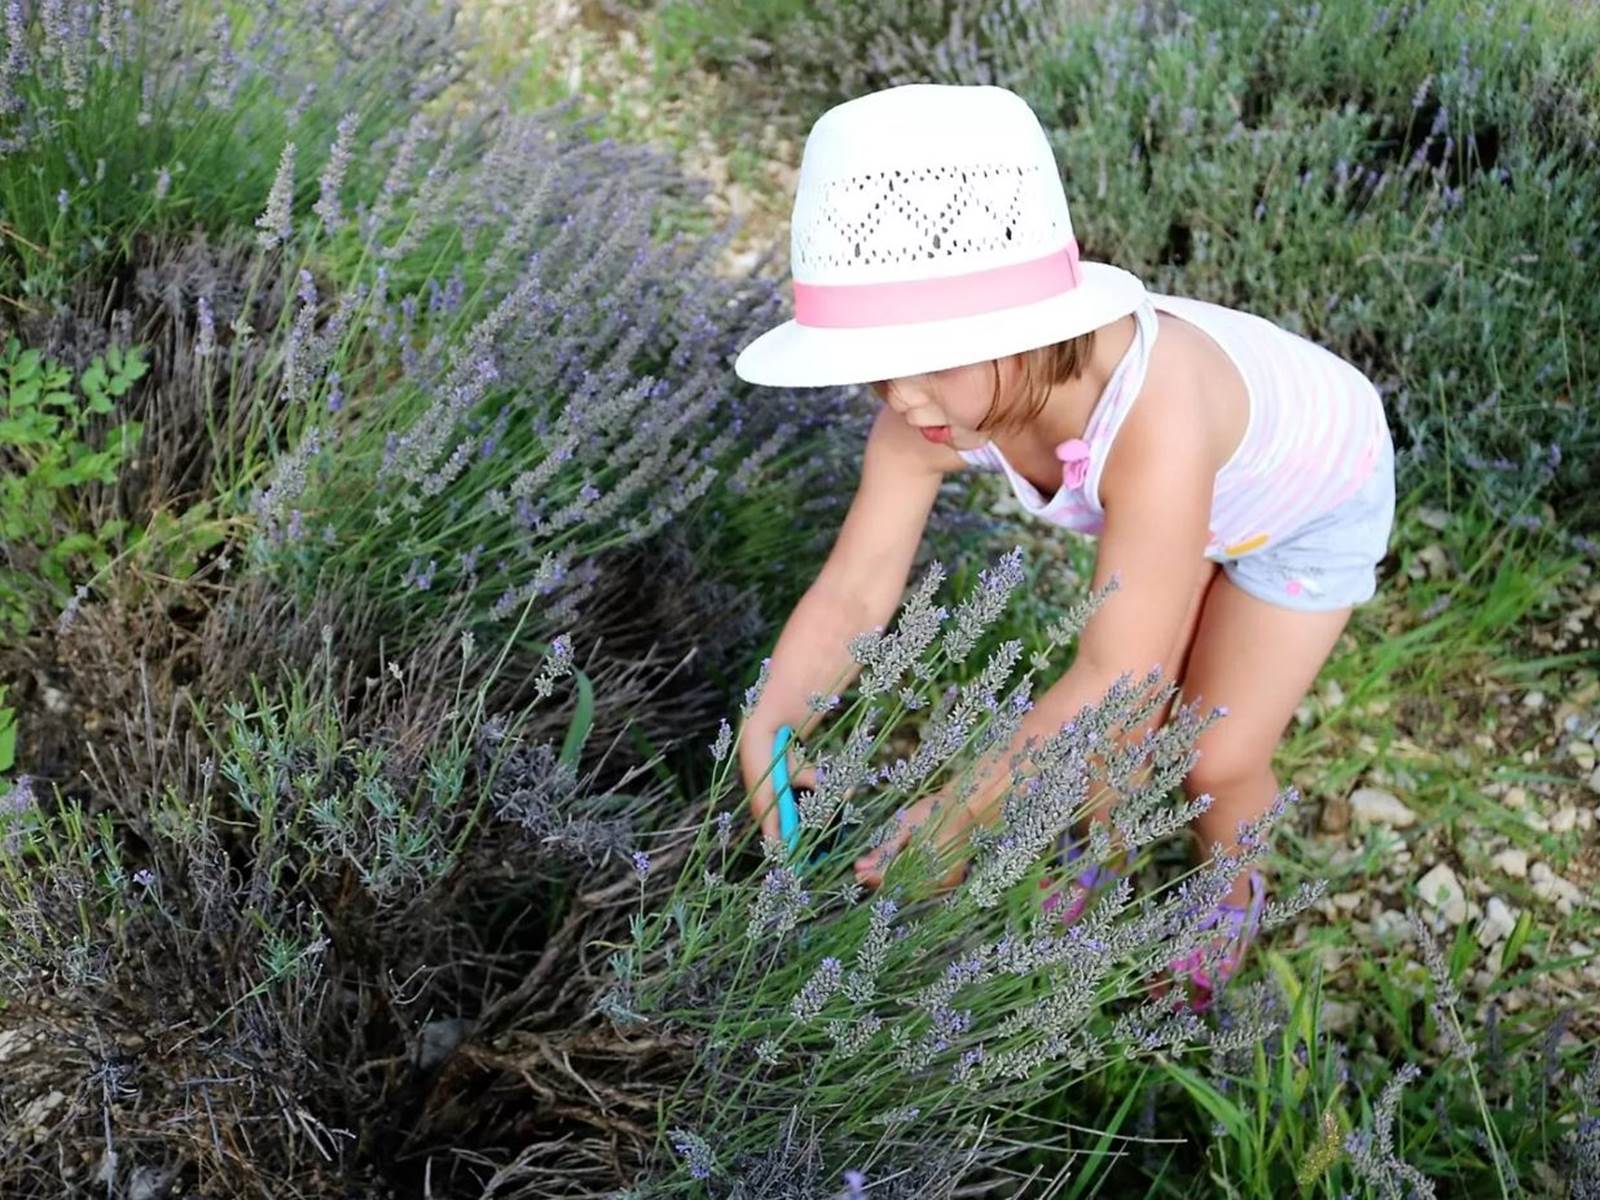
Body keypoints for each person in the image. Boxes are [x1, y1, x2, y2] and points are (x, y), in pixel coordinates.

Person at [732, 83, 1394, 1009]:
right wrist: (776, 712)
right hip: (1181, 497)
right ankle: (1094, 845)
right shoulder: (925, 414)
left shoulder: (1154, 418)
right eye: (875, 369)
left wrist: (960, 816)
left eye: (932, 363)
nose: (903, 398)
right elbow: (856, 589)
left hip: (1307, 500)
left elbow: (1110, 669)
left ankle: (1229, 898)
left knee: (1212, 753)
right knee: (1121, 728)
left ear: (1030, 333)